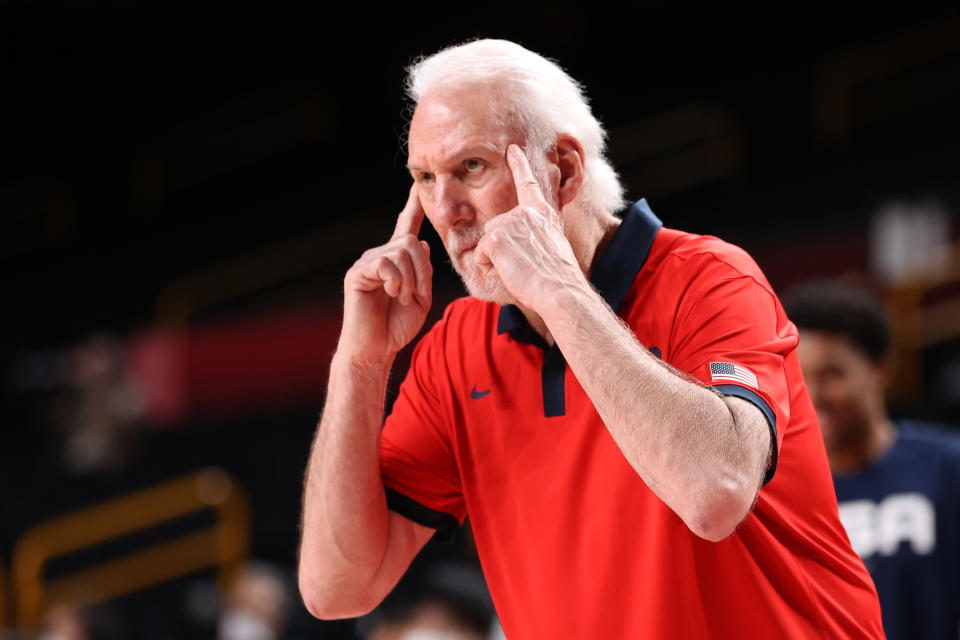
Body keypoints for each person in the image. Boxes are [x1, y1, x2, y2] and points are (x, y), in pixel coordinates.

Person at [298, 39, 884, 638]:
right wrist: (359, 364)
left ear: (565, 170)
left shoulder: (709, 280)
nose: (446, 209)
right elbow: (337, 589)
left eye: (470, 167)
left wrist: (560, 292)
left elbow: (715, 493)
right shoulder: (456, 348)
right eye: (425, 177)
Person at [785, 280, 960, 640]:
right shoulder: (780, 493)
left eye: (832, 374)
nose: (813, 395)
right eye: (800, 376)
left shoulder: (947, 466)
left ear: (881, 370)